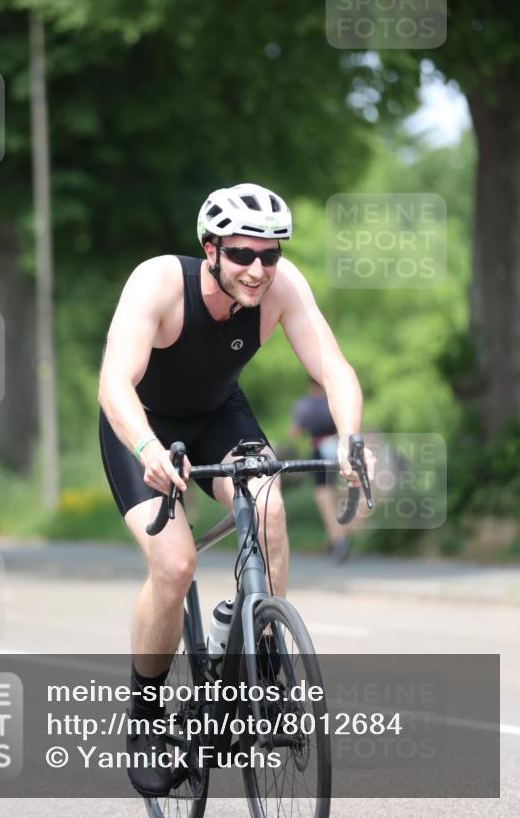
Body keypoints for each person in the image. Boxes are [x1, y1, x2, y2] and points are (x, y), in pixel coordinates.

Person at [98, 182, 367, 796]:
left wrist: (350, 437)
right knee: (175, 564)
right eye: (243, 254)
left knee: (269, 510)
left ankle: (265, 672)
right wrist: (147, 450)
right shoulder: (159, 282)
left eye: (270, 255)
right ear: (210, 247)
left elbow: (334, 368)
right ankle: (145, 720)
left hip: (219, 414)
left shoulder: (283, 286)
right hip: (140, 422)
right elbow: (114, 383)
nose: (258, 269)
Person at [290, 378, 352, 562]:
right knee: (337, 493)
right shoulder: (333, 402)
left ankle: (337, 536)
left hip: (318, 451)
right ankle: (335, 535)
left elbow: (294, 432)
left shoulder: (304, 404)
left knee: (323, 494)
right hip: (338, 450)